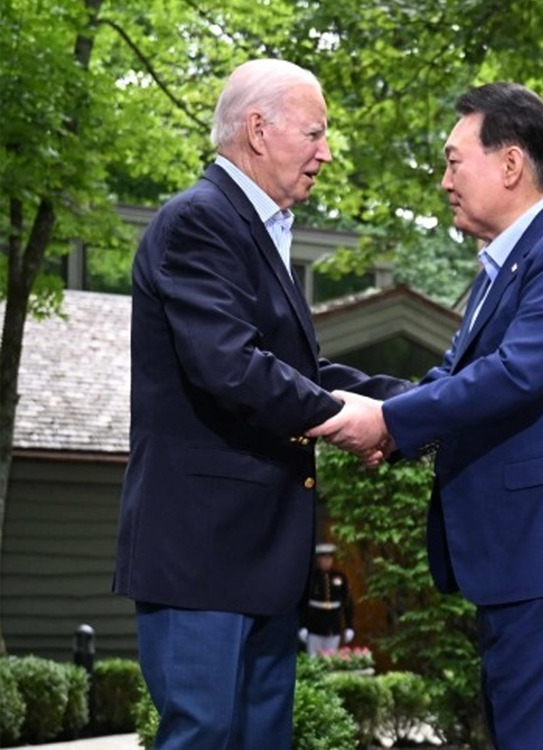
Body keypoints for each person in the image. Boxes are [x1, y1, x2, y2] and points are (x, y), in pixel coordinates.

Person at [312, 82, 543, 750]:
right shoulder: (507, 267)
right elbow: (455, 382)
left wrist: (389, 423)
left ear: (511, 164)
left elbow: (512, 375)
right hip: (527, 562)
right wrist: (372, 408)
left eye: (453, 160)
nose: (444, 181)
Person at [112, 59, 406, 750]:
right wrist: (346, 423)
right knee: (205, 735)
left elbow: (296, 368)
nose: (326, 153)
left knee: (260, 739)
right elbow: (231, 367)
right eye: (315, 133)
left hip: (260, 561)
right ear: (257, 130)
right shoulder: (199, 222)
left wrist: (416, 407)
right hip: (202, 556)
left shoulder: (256, 230)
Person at [299, 543, 355, 655]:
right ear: (318, 559)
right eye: (324, 558)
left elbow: (347, 603)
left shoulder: (339, 577)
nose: (327, 561)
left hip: (333, 626)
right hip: (314, 626)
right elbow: (303, 603)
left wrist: (349, 626)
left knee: (330, 659)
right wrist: (302, 626)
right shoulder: (311, 577)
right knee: (313, 660)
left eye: (329, 558)